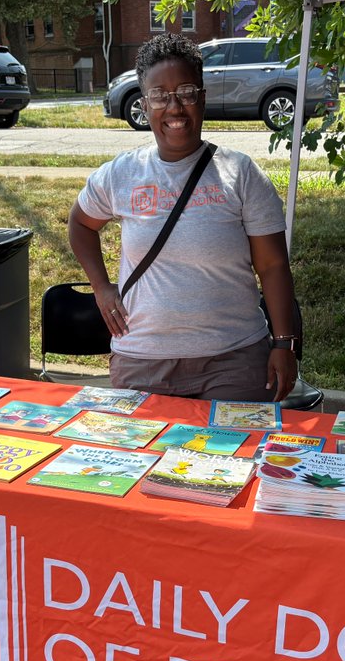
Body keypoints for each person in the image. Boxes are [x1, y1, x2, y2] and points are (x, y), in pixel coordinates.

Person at [67, 32, 299, 402]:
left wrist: (284, 344)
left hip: (233, 360)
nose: (175, 107)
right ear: (145, 105)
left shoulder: (240, 174)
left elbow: (272, 266)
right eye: (160, 96)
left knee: (236, 457)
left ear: (202, 98)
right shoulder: (121, 174)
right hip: (142, 361)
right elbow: (80, 223)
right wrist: (101, 287)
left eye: (187, 92)